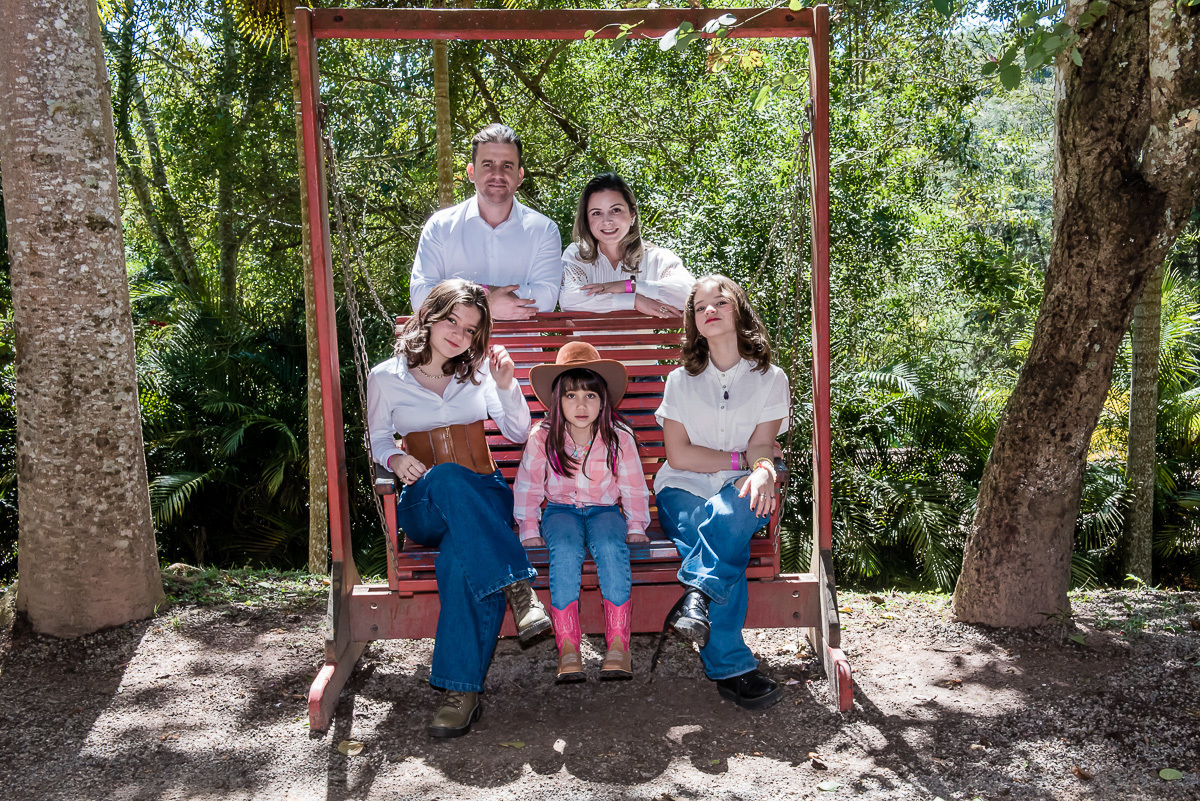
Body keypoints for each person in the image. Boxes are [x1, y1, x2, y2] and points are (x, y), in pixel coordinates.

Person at [366, 279, 550, 738]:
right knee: (444, 476)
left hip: (484, 493)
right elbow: (377, 436)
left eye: (470, 329)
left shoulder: (480, 374)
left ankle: (461, 692)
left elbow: (516, 432)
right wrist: (395, 458)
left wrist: (508, 387)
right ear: (429, 316)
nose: (459, 334)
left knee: (456, 563)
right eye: (452, 320)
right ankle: (519, 589)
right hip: (424, 502)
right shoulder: (386, 377)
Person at [653, 275, 790, 710]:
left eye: (720, 302)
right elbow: (679, 456)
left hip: (744, 488)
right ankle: (731, 667)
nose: (709, 310)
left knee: (730, 517)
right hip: (682, 488)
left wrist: (764, 468)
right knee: (719, 538)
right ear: (694, 323)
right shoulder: (680, 381)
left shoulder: (771, 378)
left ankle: (695, 598)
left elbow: (763, 446)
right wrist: (741, 461)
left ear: (739, 310)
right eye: (699, 307)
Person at [513, 342, 650, 682]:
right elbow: (529, 486)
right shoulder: (543, 437)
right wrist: (529, 528)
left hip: (605, 511)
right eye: (571, 396)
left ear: (604, 399)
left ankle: (618, 645)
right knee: (566, 549)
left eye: (590, 396)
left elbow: (633, 486)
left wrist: (636, 525)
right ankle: (568, 648)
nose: (581, 405)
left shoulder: (619, 437)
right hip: (561, 511)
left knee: (609, 546)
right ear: (557, 401)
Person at [409, 124, 563, 320]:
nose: (498, 174)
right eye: (488, 164)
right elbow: (421, 297)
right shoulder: (440, 226)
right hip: (455, 348)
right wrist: (484, 300)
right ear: (471, 172)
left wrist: (462, 299)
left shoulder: (544, 230)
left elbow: (547, 298)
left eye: (507, 166)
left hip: (521, 346)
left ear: (520, 176)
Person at [559, 173, 695, 318]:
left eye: (616, 210)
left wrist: (628, 286)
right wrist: (634, 300)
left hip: (640, 341)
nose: (607, 221)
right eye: (596, 213)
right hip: (586, 341)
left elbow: (690, 295)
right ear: (586, 219)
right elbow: (569, 299)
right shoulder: (577, 254)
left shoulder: (655, 257)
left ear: (632, 213)